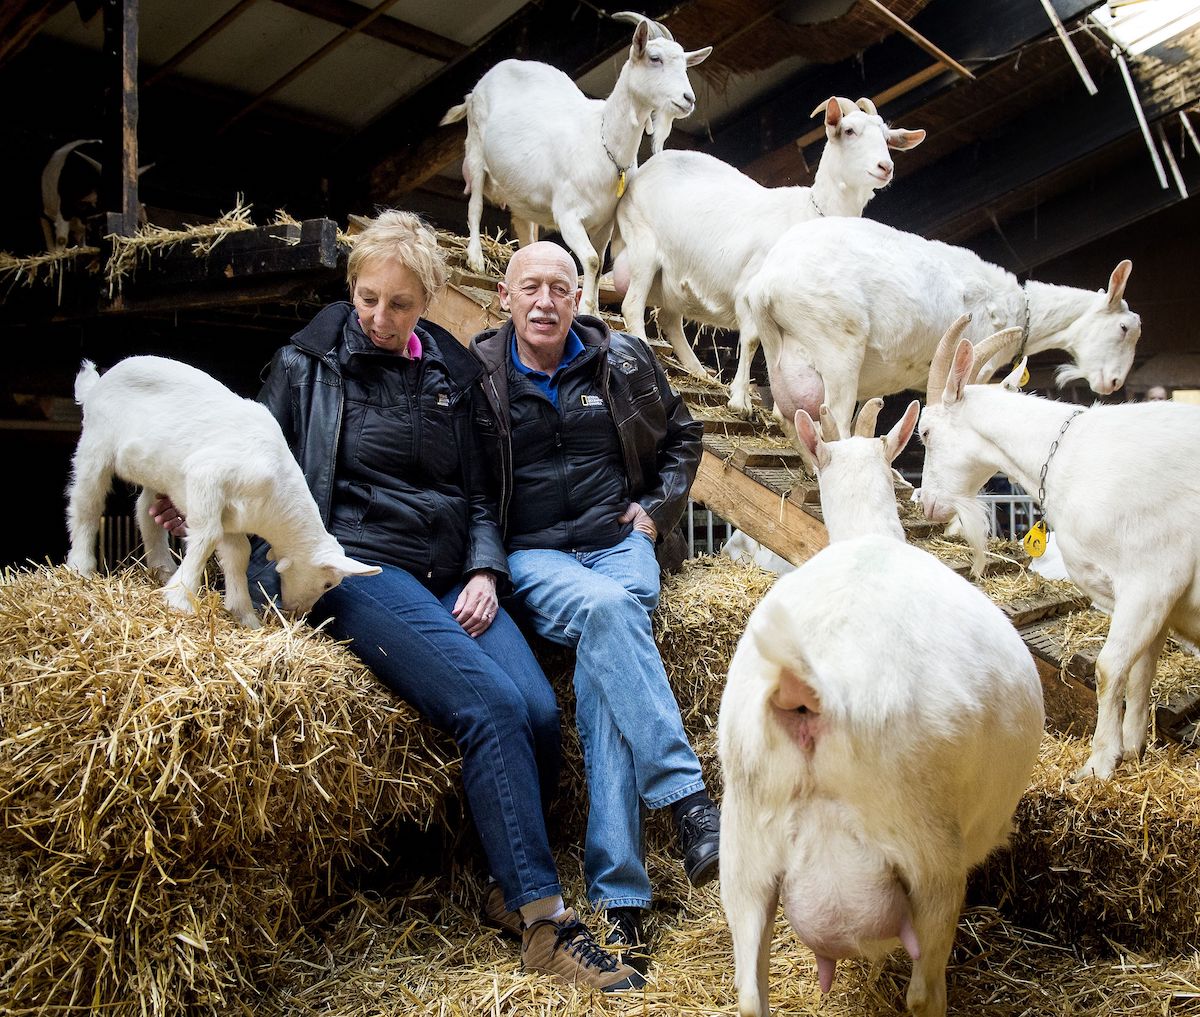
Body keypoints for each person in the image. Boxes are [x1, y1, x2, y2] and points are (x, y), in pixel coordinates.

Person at [151, 212, 643, 992]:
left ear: (431, 302)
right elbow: (241, 455)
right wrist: (192, 499)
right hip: (352, 567)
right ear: (353, 289)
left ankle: (499, 883)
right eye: (369, 299)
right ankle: (546, 923)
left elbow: (482, 494)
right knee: (487, 703)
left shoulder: (453, 374)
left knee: (539, 710)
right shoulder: (307, 362)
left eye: (401, 304)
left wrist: (484, 571)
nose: (380, 319)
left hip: (450, 571)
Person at [469, 240, 720, 972]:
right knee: (614, 615)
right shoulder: (477, 375)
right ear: (504, 295)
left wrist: (656, 509)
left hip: (617, 542)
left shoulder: (627, 358)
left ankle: (623, 903)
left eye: (560, 287)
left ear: (579, 298)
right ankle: (690, 802)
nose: (545, 301)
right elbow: (468, 487)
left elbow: (684, 435)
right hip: (535, 555)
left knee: (605, 672)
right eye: (531, 288)